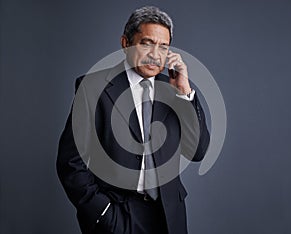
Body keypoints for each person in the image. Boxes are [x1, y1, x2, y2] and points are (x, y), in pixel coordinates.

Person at [57, 6, 210, 234]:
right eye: (147, 43)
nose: (155, 54)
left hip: (169, 215)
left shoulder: (174, 90)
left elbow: (197, 152)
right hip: (117, 214)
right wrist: (102, 212)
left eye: (163, 47)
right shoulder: (92, 88)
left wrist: (185, 94)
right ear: (126, 43)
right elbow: (70, 163)